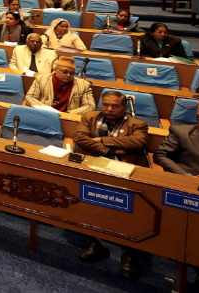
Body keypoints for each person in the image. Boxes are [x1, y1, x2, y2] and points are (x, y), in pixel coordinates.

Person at [72, 90, 152, 280]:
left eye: (115, 106)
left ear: (124, 108)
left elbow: (138, 143)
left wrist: (101, 140)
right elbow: (80, 138)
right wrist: (110, 149)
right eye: (106, 105)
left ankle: (130, 253)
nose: (109, 109)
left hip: (126, 171)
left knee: (130, 211)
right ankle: (96, 241)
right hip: (93, 167)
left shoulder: (138, 124)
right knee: (87, 202)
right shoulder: (89, 117)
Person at [24, 56, 96, 114]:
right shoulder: (42, 79)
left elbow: (90, 106)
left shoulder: (84, 85)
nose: (68, 75)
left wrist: (69, 114)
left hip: (68, 118)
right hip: (44, 114)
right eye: (64, 72)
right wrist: (45, 109)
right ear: (55, 69)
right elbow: (30, 97)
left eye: (71, 73)